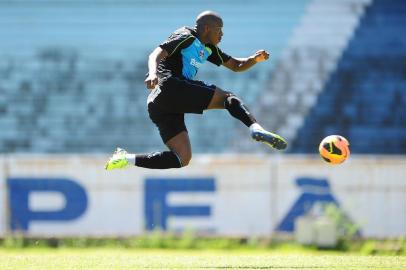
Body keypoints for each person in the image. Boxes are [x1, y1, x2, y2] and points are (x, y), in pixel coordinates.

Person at [105, 10, 287, 170]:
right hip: (170, 86)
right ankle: (255, 128)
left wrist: (254, 59)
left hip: (159, 105)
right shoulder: (187, 36)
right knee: (228, 98)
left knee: (182, 157)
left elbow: (236, 65)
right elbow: (157, 53)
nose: (222, 34)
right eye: (219, 30)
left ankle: (125, 158)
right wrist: (152, 73)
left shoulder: (208, 48)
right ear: (207, 29)